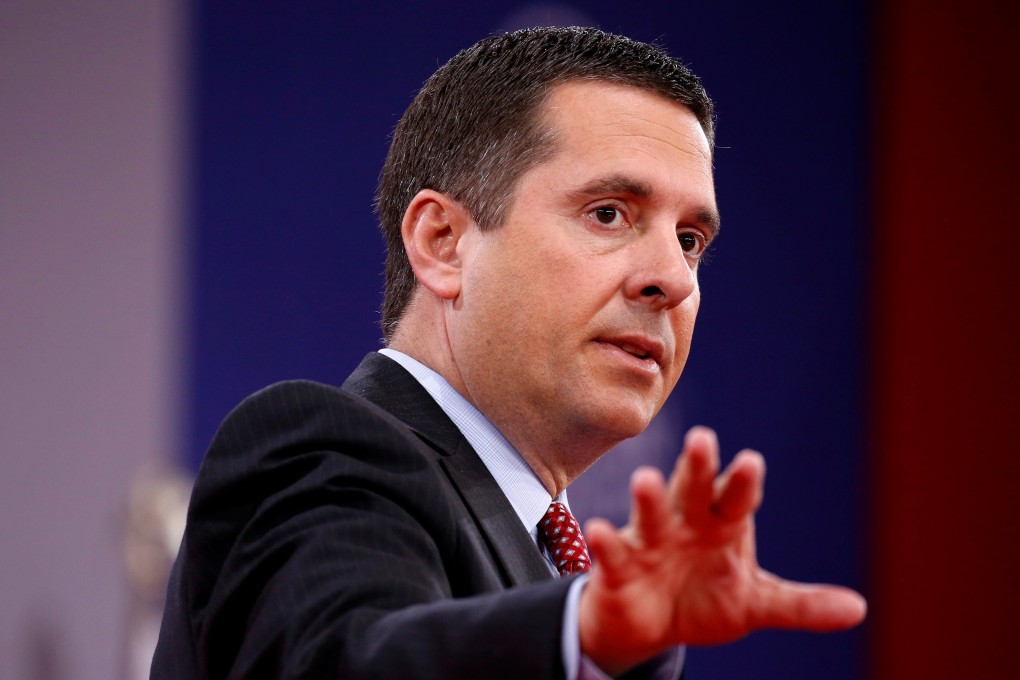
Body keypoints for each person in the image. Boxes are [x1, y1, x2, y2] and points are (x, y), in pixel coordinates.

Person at [151, 26, 866, 679]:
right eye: (609, 213)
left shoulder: (556, 566)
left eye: (690, 240)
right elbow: (343, 661)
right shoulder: (321, 453)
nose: (674, 279)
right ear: (443, 243)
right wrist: (583, 633)